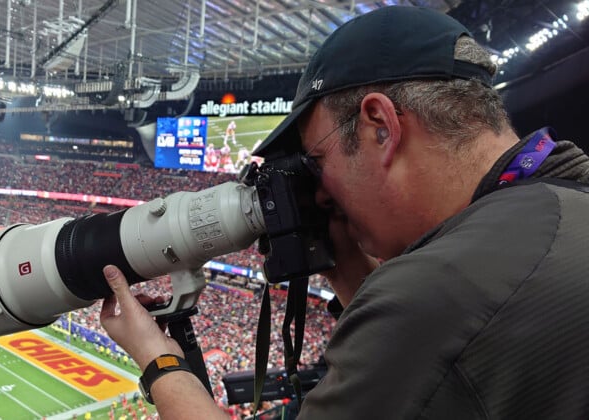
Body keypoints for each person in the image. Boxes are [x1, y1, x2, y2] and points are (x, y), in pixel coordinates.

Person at [99, 5, 589, 419]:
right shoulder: (561, 201)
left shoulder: (444, 291)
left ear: (380, 126)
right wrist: (350, 272)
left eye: (317, 161)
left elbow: (439, 325)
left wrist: (160, 362)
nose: (320, 193)